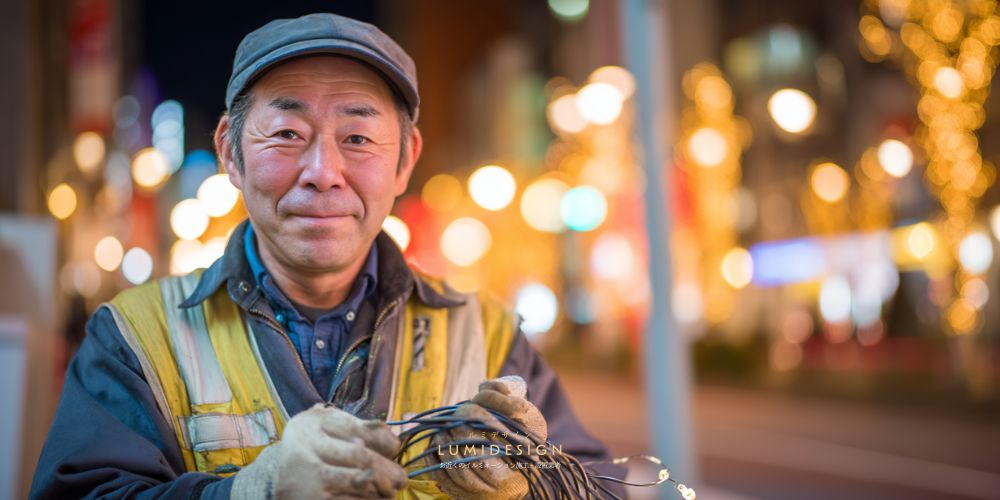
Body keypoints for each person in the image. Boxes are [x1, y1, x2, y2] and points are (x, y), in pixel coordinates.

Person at [30, 12, 623, 499]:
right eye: (288, 133)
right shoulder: (135, 339)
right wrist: (249, 492)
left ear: (405, 160)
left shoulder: (488, 336)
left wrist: (529, 487)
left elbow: (597, 488)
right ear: (230, 152)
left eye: (357, 138)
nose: (323, 172)